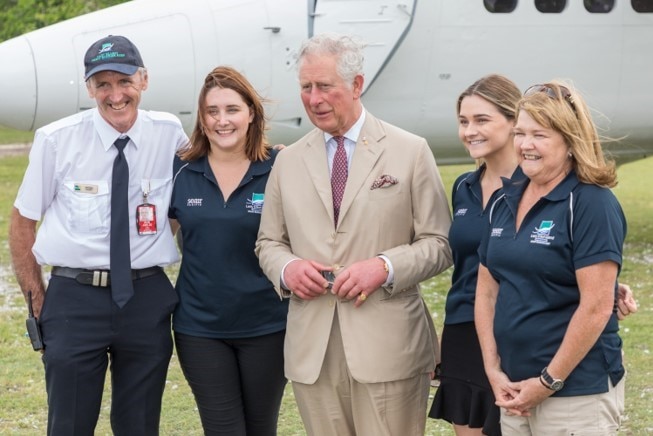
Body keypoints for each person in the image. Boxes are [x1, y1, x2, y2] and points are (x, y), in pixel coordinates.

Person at [255, 33, 453, 436]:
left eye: (324, 86)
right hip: (313, 352)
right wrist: (288, 268)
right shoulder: (287, 160)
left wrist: (384, 267)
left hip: (389, 349)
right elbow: (268, 243)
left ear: (357, 84)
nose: (313, 98)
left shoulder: (410, 150)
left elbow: (439, 243)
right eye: (306, 88)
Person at [9, 35, 188, 435]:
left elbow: (192, 195)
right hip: (75, 300)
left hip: (146, 297)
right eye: (102, 84)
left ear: (144, 79)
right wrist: (37, 296)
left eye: (124, 81)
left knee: (140, 424)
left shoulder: (170, 133)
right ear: (89, 88)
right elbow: (23, 221)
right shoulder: (57, 139)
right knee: (69, 423)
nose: (115, 94)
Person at [475, 81, 627, 435]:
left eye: (539, 135)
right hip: (512, 388)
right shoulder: (504, 199)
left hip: (575, 393)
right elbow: (486, 292)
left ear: (570, 141)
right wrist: (493, 369)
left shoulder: (591, 203)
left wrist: (547, 381)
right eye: (519, 133)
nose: (525, 145)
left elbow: (596, 306)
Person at [168, 66, 288, 435]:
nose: (222, 120)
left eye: (232, 110)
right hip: (200, 328)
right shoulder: (181, 169)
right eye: (212, 111)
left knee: (260, 427)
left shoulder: (280, 166)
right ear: (201, 119)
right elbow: (156, 233)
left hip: (268, 326)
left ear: (251, 113)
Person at [429, 74, 522, 436]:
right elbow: (464, 270)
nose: (470, 131)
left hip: (514, 334)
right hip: (462, 333)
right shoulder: (463, 187)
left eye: (482, 120)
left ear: (514, 121)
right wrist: (442, 342)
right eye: (463, 121)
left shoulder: (536, 186)